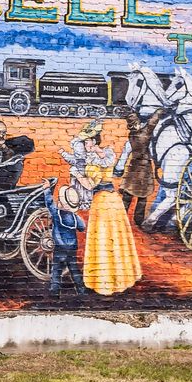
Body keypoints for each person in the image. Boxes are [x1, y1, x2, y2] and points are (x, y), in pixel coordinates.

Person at [64, 119, 141, 295]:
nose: (84, 145)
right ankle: (121, 277)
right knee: (115, 239)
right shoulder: (107, 154)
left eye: (86, 142)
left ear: (93, 141)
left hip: (102, 203)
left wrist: (76, 173)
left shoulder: (93, 161)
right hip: (114, 201)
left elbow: (90, 185)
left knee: (104, 240)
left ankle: (105, 282)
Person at [46, 179, 86, 296]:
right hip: (72, 247)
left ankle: (55, 291)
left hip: (59, 246)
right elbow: (82, 227)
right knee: (74, 268)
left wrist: (47, 190)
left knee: (56, 269)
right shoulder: (75, 217)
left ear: (61, 203)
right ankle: (81, 289)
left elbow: (49, 203)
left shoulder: (56, 214)